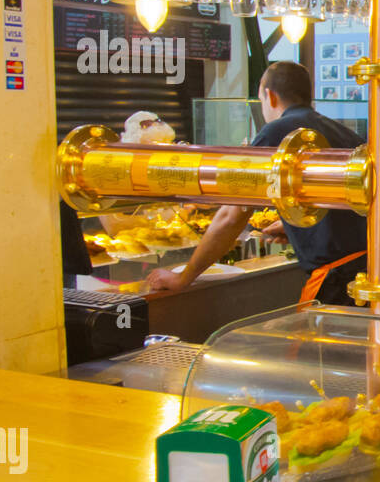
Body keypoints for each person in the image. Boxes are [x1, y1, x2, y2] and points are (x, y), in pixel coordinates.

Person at [146, 61, 367, 305]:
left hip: (335, 282)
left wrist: (183, 278)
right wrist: (297, 228)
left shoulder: (278, 134)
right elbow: (341, 200)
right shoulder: (342, 132)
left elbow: (231, 216)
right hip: (365, 274)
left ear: (269, 96)